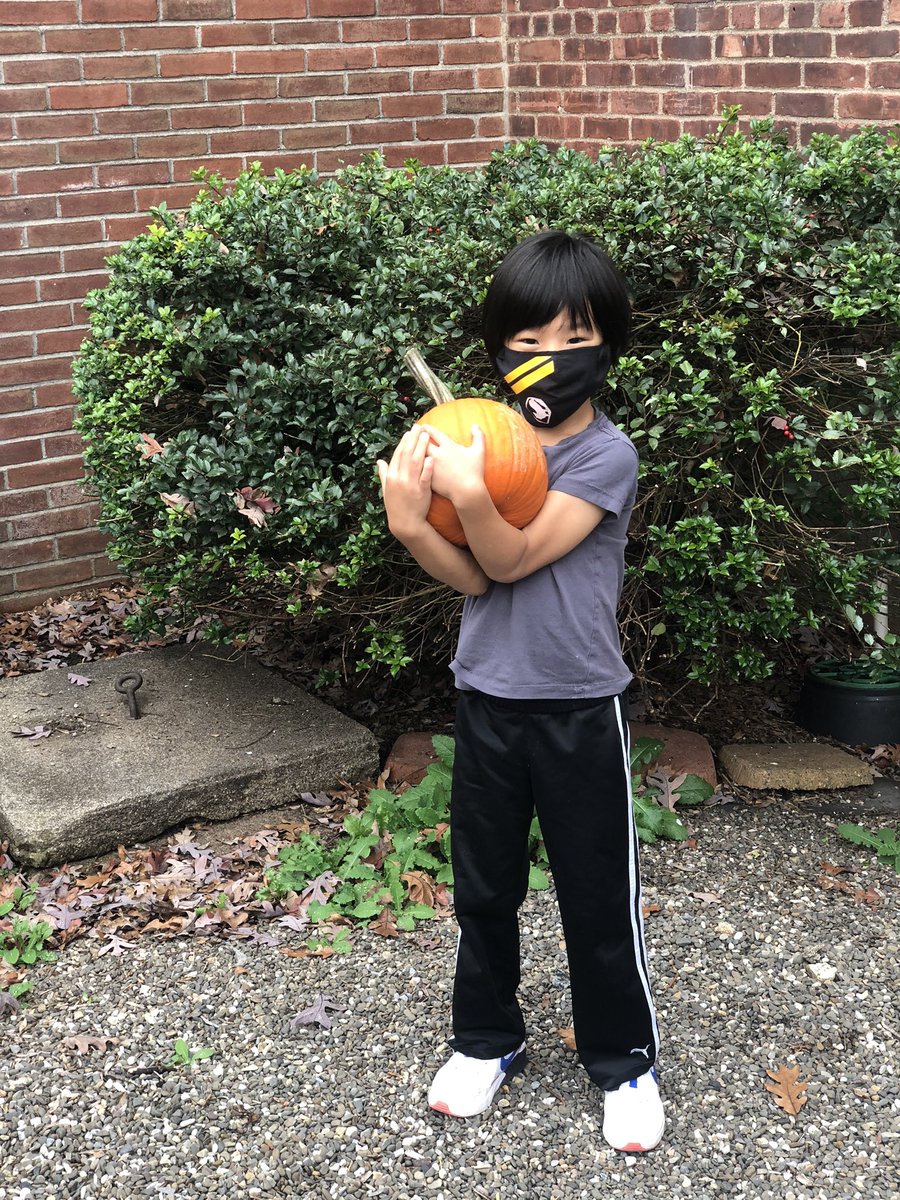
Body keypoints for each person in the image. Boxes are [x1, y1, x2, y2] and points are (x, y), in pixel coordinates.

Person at [377, 230, 665, 1154]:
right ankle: (486, 1040)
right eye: (528, 339)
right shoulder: (481, 438)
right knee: (484, 887)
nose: (550, 357)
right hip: (489, 695)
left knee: (596, 890)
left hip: (581, 703)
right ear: (500, 347)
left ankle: (623, 1061)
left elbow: (513, 558)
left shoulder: (605, 458)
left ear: (607, 343)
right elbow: (471, 579)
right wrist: (415, 526)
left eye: (574, 337)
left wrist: (468, 496)